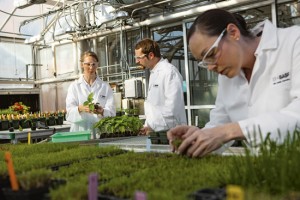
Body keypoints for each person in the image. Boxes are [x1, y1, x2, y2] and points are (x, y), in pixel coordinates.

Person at [167, 9, 300, 157]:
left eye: (210, 54)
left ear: (233, 32)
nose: (210, 67)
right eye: (204, 62)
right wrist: (197, 137)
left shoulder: (294, 42)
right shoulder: (227, 76)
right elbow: (220, 122)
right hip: (265, 169)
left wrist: (230, 131)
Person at [135, 38, 187, 134]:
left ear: (151, 55)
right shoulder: (154, 73)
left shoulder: (169, 72)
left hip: (172, 131)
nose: (137, 61)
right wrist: (148, 125)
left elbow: (172, 108)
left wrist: (153, 126)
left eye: (139, 58)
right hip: (159, 131)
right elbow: (154, 106)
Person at [66, 51, 115, 132]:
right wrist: (80, 108)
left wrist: (102, 111)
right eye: (88, 64)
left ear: (97, 65)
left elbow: (112, 113)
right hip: (80, 131)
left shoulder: (105, 87)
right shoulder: (74, 87)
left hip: (100, 131)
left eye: (93, 64)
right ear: (82, 65)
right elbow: (69, 113)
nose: (91, 67)